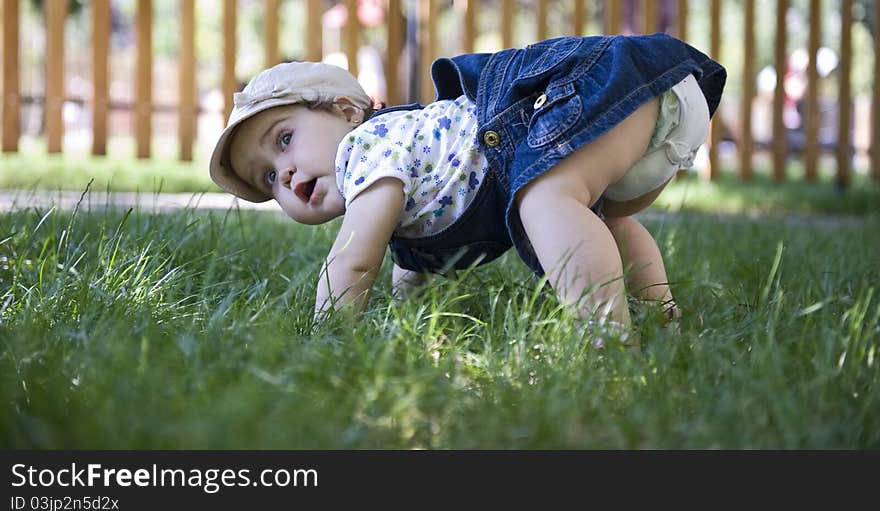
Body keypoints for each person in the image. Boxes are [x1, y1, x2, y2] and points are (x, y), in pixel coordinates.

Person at [210, 34, 726, 333]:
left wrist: (324, 335)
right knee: (600, 219)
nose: (287, 174)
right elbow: (411, 269)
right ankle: (662, 318)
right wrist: (408, 313)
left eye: (283, 142)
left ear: (346, 112)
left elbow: (354, 258)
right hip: (663, 106)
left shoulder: (364, 148)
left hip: (586, 88)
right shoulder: (405, 181)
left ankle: (607, 338)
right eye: (269, 178)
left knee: (547, 198)